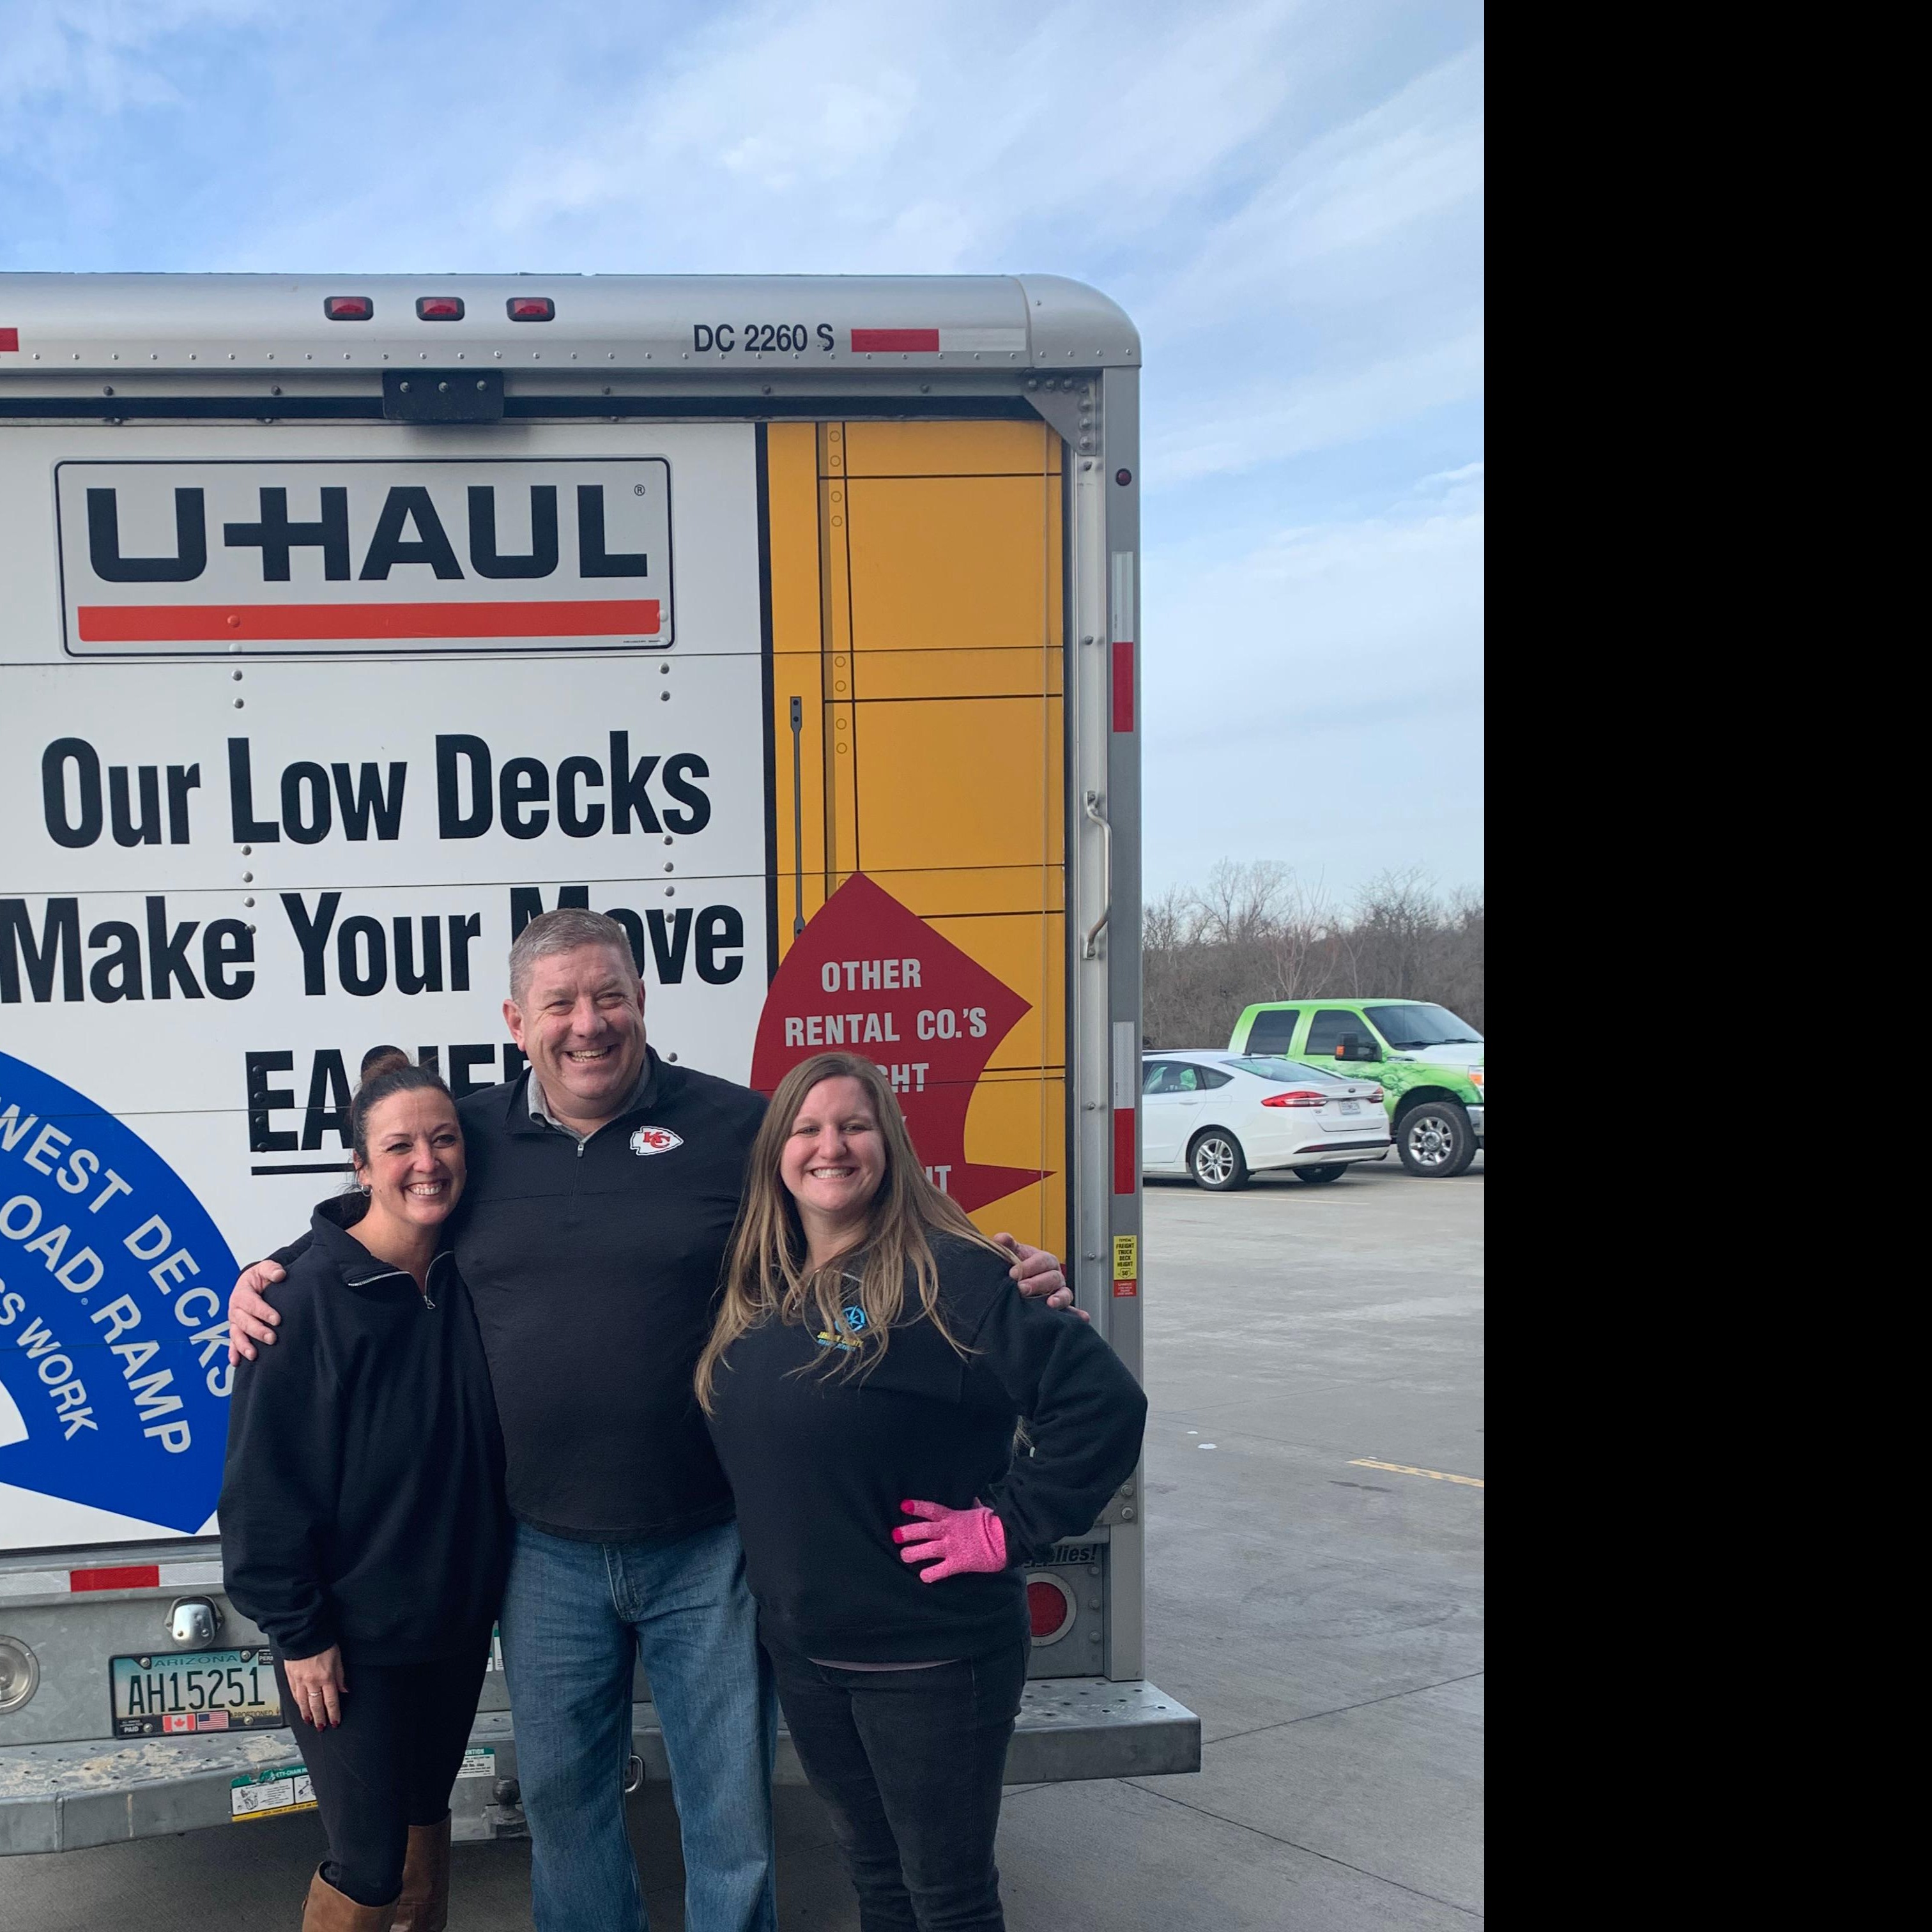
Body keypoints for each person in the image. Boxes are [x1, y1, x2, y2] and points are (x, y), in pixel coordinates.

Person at [227, 908, 1073, 1932]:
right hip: (541, 1549)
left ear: (641, 1001)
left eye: (609, 996)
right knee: (565, 1811)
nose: (589, 1023)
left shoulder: (738, 1128)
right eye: (560, 1004)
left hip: (708, 1538)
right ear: (515, 1021)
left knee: (730, 1823)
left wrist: (997, 1263)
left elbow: (859, 1196)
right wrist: (272, 1279)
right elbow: (386, 1208)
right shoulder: (477, 1138)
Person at [697, 1052, 1147, 1932]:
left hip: (932, 1660)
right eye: (808, 1128)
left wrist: (1004, 1528)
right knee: (877, 1880)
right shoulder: (761, 1288)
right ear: (777, 1155)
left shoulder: (960, 1276)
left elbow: (1104, 1407)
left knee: (947, 1899)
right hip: (811, 1657)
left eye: (854, 1125)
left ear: (890, 1143)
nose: (832, 1146)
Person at [221, 1053, 507, 1932]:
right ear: (360, 1165)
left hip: (452, 1629)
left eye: (444, 1138)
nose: (427, 1161)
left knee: (426, 1830)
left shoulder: (474, 1271)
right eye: (399, 1146)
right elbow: (263, 1490)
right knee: (370, 1861)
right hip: (349, 1642)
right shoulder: (300, 1303)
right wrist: (301, 1633)